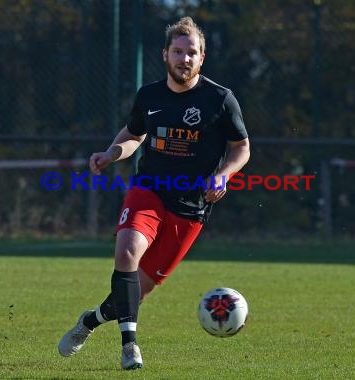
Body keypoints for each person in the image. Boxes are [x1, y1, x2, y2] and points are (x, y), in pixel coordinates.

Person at [57, 16, 250, 370]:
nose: (184, 59)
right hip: (149, 191)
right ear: (165, 55)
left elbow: (242, 148)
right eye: (178, 51)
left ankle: (89, 322)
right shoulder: (149, 96)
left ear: (202, 57)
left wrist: (223, 176)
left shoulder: (220, 99)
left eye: (192, 52)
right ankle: (129, 346)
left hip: (191, 208)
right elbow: (133, 135)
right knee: (128, 249)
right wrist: (110, 153)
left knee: (133, 294)